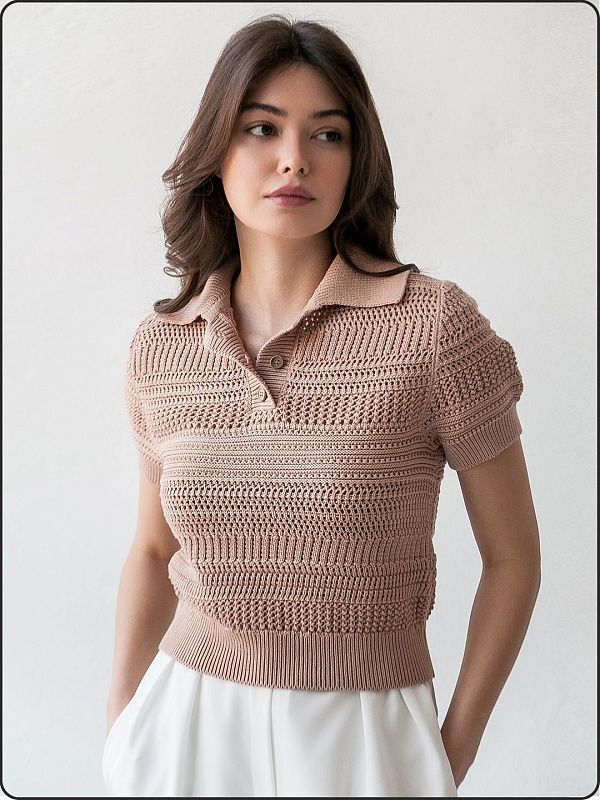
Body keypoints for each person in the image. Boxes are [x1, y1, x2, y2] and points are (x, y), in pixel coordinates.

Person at [103, 14, 541, 798]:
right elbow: (151, 551)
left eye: (327, 134)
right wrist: (122, 725)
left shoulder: (434, 328)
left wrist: (449, 752)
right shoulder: (162, 346)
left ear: (355, 160)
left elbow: (514, 559)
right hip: (185, 725)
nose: (294, 159)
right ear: (216, 150)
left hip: (367, 733)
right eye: (261, 128)